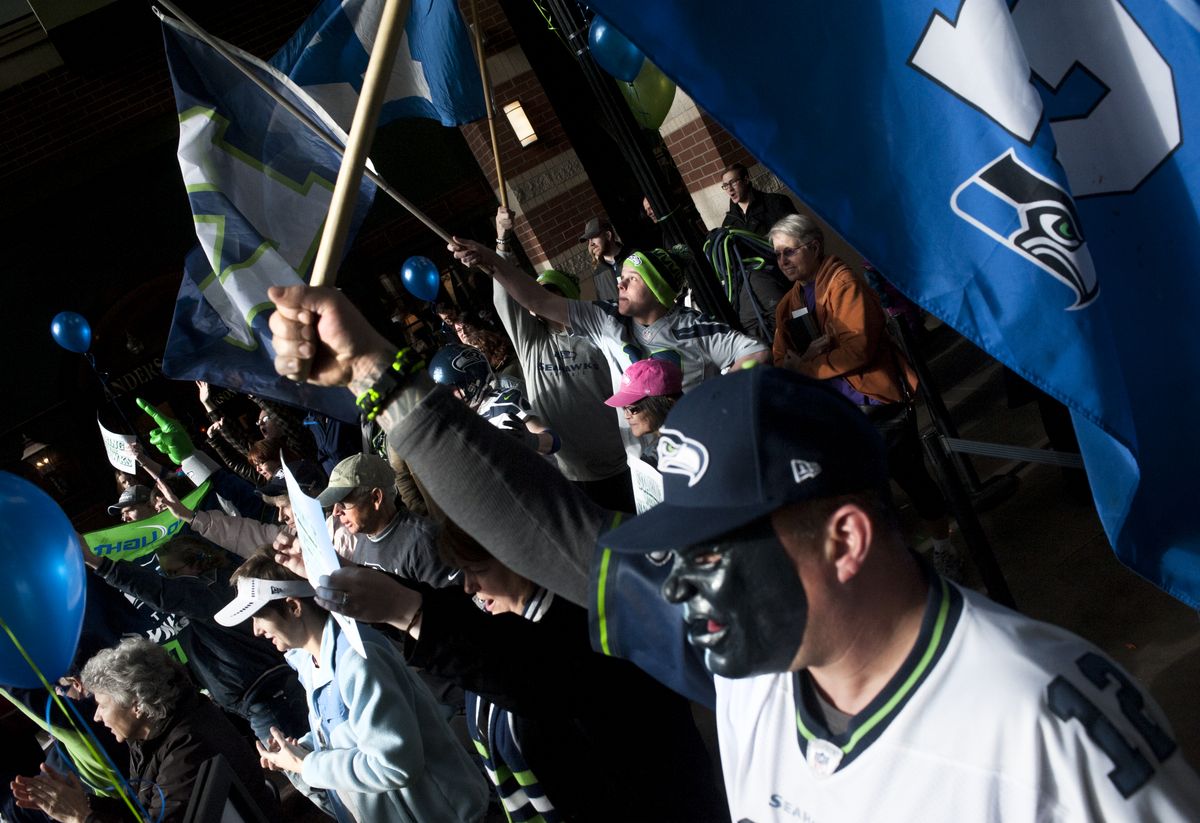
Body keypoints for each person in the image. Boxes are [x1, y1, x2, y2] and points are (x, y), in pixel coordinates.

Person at [265, 285, 1200, 822]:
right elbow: (554, 532)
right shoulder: (754, 660)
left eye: (717, 551)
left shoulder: (1042, 721)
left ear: (844, 538)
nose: (684, 582)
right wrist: (380, 377)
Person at [296, 522, 727, 822]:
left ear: (520, 553)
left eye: (477, 569)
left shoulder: (587, 633)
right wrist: (351, 579)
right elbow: (464, 622)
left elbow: (527, 676)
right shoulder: (512, 618)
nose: (468, 587)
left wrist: (409, 612)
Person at [216, 552, 488, 823]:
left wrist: (305, 764)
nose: (256, 630)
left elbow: (394, 766)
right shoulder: (310, 660)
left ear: (293, 607)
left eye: (259, 616)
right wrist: (301, 749)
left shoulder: (358, 660)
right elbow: (348, 732)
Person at [768, 213, 958, 574]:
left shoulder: (844, 284)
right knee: (867, 497)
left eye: (789, 252)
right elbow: (780, 363)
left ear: (814, 247)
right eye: (777, 255)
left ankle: (944, 548)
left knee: (912, 479)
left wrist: (806, 364)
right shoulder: (787, 305)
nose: (783, 261)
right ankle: (898, 567)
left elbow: (858, 350)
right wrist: (809, 358)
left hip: (875, 404)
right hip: (833, 415)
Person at [450, 237, 769, 400]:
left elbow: (756, 352)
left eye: (632, 278)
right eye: (621, 276)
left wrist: (717, 397)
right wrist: (489, 258)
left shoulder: (694, 326)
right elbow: (537, 299)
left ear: (658, 289)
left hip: (696, 449)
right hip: (640, 462)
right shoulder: (604, 317)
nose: (620, 283)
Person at [12, 637, 279, 823]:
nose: (96, 716)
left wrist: (81, 816)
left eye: (102, 705)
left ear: (137, 705)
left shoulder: (189, 749)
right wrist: (87, 802)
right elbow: (147, 812)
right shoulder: (158, 732)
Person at [82, 535, 309, 742]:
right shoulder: (207, 594)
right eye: (165, 575)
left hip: (268, 700)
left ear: (197, 563)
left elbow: (162, 593)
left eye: (173, 573)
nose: (170, 580)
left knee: (301, 768)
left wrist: (101, 565)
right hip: (259, 700)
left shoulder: (210, 589)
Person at [493, 207, 633, 510]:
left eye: (549, 295)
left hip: (621, 463)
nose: (539, 302)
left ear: (566, 298)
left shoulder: (596, 336)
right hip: (571, 474)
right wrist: (502, 242)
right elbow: (504, 298)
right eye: (536, 296)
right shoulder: (530, 341)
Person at [314, 453, 452, 587]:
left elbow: (452, 600)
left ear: (376, 498)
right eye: (335, 504)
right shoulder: (363, 537)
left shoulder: (425, 543)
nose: (336, 512)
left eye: (343, 503)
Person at [428, 342, 560, 456]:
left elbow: (554, 442)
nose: (447, 397)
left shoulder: (504, 402)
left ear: (473, 382)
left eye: (451, 390)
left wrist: (533, 440)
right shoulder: (458, 421)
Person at [604, 357, 682, 467]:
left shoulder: (655, 460)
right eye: (623, 408)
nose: (626, 416)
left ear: (668, 402)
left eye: (632, 409)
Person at [719, 162, 798, 236]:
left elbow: (798, 233)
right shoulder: (728, 222)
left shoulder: (777, 202)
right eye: (725, 185)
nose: (729, 189)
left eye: (733, 182)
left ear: (746, 180)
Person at [578, 217, 624, 302]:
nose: (591, 244)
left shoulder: (635, 257)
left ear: (608, 235)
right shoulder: (598, 275)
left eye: (593, 237)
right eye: (588, 240)